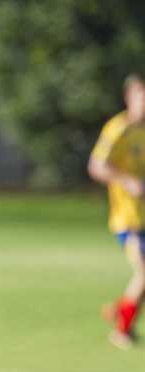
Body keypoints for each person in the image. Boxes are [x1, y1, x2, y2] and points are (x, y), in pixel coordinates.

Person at [89, 73, 145, 349]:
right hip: (129, 220)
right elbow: (97, 166)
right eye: (141, 95)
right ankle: (122, 330)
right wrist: (126, 180)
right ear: (130, 97)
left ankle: (121, 312)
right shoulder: (118, 129)